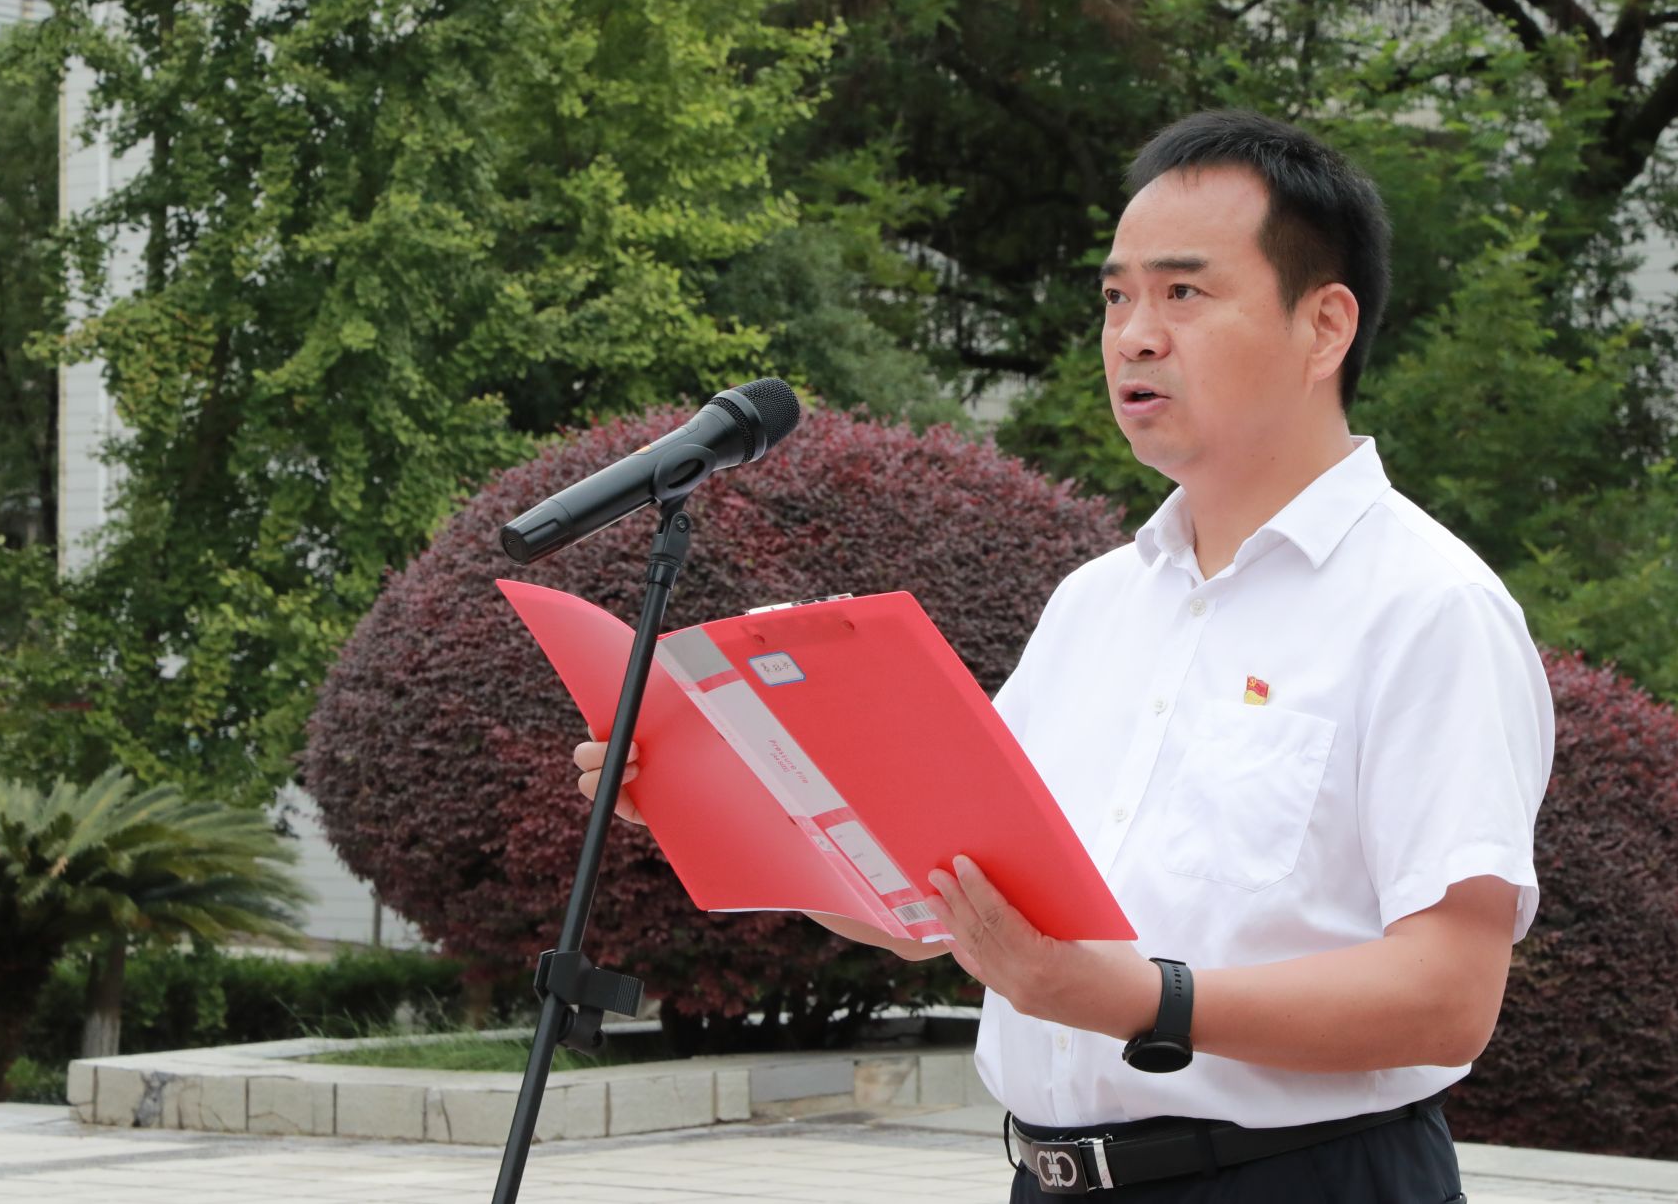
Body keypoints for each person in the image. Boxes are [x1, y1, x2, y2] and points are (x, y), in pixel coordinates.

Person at [576, 110, 1554, 1200]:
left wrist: (1141, 1001)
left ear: (1323, 325)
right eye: (1115, 297)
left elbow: (1448, 996)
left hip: (1300, 1177)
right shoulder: (1095, 606)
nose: (1134, 335)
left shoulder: (1428, 607)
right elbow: (929, 912)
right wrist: (714, 798)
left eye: (1183, 293)